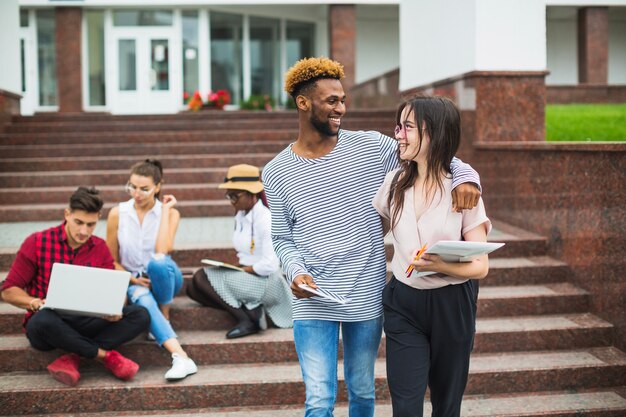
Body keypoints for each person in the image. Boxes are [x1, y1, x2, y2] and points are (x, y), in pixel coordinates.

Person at [261, 57, 482, 417]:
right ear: (303, 103)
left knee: (362, 392)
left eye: (343, 100)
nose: (341, 109)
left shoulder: (370, 147)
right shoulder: (275, 171)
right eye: (332, 101)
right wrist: (294, 270)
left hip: (364, 293)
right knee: (318, 399)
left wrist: (467, 176)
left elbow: (431, 153)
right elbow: (283, 237)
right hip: (312, 296)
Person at [373, 96, 491, 417]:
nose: (398, 134)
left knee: (446, 405)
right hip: (403, 304)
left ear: (435, 133)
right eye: (399, 126)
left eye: (407, 127)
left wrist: (438, 264)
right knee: (406, 407)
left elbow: (480, 266)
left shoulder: (463, 190)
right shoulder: (393, 184)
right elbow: (371, 234)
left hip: (452, 304)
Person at [0, 187, 149, 387]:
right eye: (79, 222)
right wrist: (33, 302)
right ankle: (105, 356)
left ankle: (74, 356)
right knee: (42, 320)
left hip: (87, 320)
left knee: (140, 314)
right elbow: (9, 289)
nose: (84, 231)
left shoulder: (100, 247)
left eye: (91, 224)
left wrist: (114, 309)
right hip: (49, 323)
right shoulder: (37, 242)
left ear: (98, 219)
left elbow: (115, 291)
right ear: (67, 214)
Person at [106, 159, 197, 381]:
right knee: (143, 300)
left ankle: (164, 309)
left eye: (144, 189)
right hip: (135, 281)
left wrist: (164, 211)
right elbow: (110, 260)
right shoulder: (118, 213)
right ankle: (182, 357)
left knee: (156, 261)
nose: (136, 193)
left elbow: (162, 250)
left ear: (157, 186)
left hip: (165, 277)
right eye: (132, 187)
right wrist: (132, 280)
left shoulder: (171, 213)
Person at [186, 164, 292, 339]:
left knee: (201, 277)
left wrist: (241, 270)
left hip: (267, 281)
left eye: (235, 196)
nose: (231, 201)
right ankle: (252, 311)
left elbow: (270, 265)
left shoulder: (266, 220)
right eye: (229, 195)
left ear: (252, 194)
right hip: (248, 275)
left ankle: (246, 320)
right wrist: (234, 267)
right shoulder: (241, 215)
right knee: (192, 289)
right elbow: (246, 253)